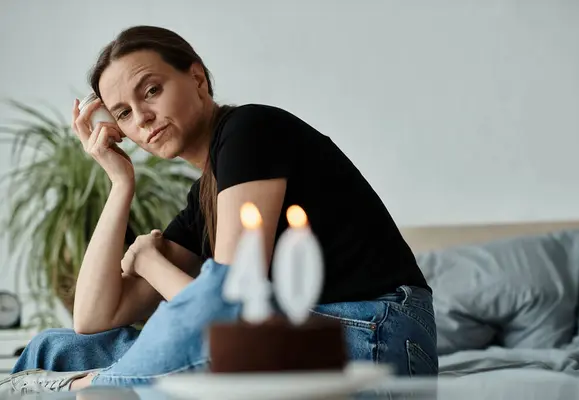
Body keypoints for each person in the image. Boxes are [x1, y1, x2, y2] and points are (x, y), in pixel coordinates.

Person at [0, 25, 437, 395]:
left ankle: (90, 386)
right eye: (124, 114)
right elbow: (93, 319)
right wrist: (120, 183)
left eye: (151, 90)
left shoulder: (250, 131)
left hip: (373, 334)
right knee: (58, 349)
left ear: (197, 79)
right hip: (293, 340)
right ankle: (96, 382)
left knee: (181, 344)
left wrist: (151, 262)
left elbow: (225, 306)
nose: (143, 118)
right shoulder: (205, 195)